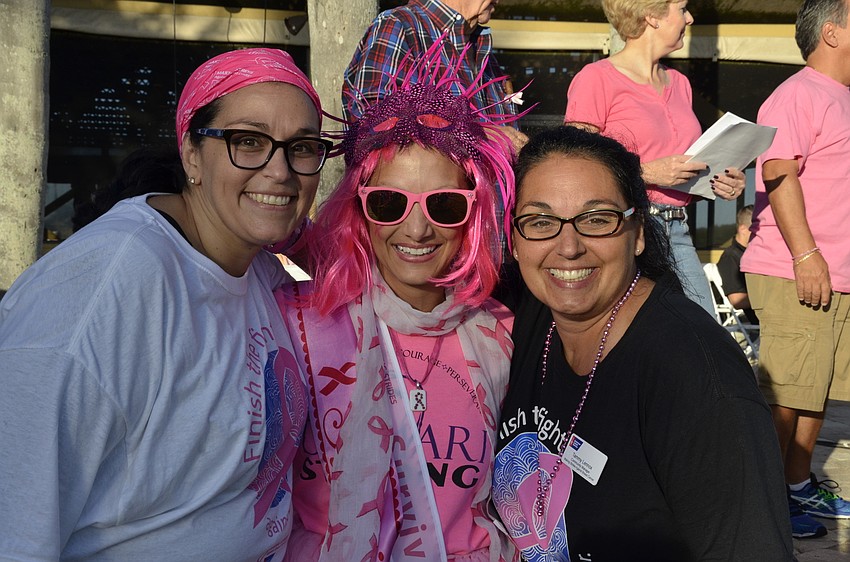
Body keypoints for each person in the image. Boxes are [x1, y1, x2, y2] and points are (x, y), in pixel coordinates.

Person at [0, 48, 331, 559]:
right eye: (248, 141)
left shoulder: (259, 268)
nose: (281, 170)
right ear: (192, 155)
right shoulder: (103, 287)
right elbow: (16, 524)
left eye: (303, 147)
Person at [492, 126, 794, 561]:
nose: (569, 247)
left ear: (637, 233)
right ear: (515, 241)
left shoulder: (694, 378)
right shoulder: (530, 315)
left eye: (597, 219)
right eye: (540, 222)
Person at [279, 41, 517, 562]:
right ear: (358, 212)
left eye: (444, 204)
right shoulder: (293, 322)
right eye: (388, 203)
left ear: (472, 214)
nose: (416, 228)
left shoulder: (504, 335)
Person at [740, 0, 850, 540]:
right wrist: (806, 256)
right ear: (832, 33)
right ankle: (761, 501)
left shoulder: (841, 96)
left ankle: (797, 482)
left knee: (814, 390)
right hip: (795, 270)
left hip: (836, 275)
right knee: (786, 395)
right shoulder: (799, 94)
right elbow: (778, 173)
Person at [564, 0, 746, 317]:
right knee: (634, 335)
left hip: (679, 228)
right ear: (653, 16)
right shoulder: (597, 78)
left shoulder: (681, 85)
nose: (689, 19)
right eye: (682, 8)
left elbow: (682, 168)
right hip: (626, 228)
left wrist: (719, 180)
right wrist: (647, 173)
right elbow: (575, 162)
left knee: (704, 328)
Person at [342, 0, 527, 152]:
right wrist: (479, 135)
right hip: (427, 196)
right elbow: (375, 125)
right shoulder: (400, 25)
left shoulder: (481, 49)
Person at [717, 204, 758, 324]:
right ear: (743, 229)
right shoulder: (731, 257)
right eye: (756, 230)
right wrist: (773, 297)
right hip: (755, 321)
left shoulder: (749, 254)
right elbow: (737, 300)